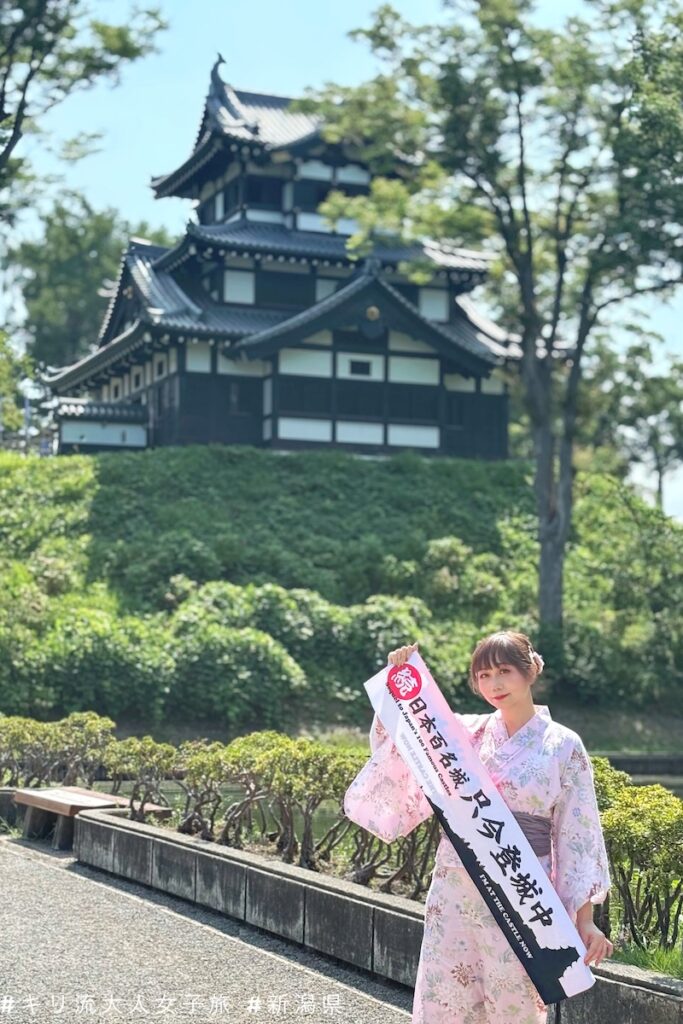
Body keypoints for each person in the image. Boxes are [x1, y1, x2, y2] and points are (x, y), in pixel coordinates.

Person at [343, 630, 613, 1024]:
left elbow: (577, 834)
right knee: (447, 994)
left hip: (522, 887)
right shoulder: (464, 733)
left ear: (531, 670)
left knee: (514, 999)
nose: (495, 684)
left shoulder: (564, 746)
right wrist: (399, 680)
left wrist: (584, 919)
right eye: (484, 676)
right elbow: (405, 740)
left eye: (504, 671)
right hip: (457, 881)